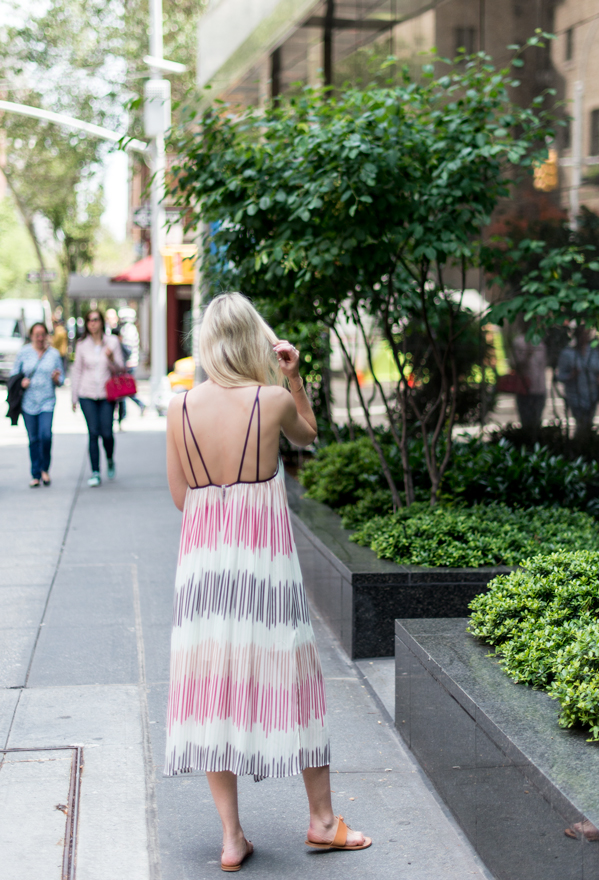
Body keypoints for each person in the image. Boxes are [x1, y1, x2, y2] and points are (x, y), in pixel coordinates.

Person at [165, 293, 371, 872]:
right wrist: (295, 376)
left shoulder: (179, 410)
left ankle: (231, 837)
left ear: (206, 343)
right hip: (264, 567)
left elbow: (182, 498)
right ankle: (323, 821)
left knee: (211, 687)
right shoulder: (273, 400)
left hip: (204, 568)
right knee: (293, 674)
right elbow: (306, 436)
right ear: (254, 338)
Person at [71, 309, 124, 487]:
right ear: (86, 324)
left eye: (95, 319)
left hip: (107, 394)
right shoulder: (81, 345)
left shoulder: (112, 342)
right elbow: (77, 370)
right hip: (87, 394)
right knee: (93, 433)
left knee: (107, 433)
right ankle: (95, 472)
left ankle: (109, 458)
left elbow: (121, 368)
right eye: (89, 320)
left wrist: (111, 359)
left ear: (102, 322)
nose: (93, 323)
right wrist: (74, 396)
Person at [10, 322, 64, 487]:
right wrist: (22, 383)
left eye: (43, 334)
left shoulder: (53, 354)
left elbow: (61, 379)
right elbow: (13, 376)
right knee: (33, 438)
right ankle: (35, 473)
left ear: (47, 335)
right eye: (37, 335)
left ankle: (44, 469)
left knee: (45, 436)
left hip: (47, 400)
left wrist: (56, 379)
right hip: (28, 402)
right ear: (31, 336)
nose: (40, 338)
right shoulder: (24, 353)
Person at [556, 325, 599, 437]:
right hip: (575, 397)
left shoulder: (593, 352)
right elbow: (560, 376)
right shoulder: (567, 353)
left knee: (589, 424)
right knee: (581, 424)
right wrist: (571, 375)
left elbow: (598, 370)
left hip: (592, 395)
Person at [511, 332, 547, 440]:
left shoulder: (541, 343)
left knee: (536, 422)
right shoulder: (518, 341)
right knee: (526, 422)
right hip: (524, 390)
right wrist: (527, 354)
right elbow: (515, 366)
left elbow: (543, 365)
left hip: (540, 390)